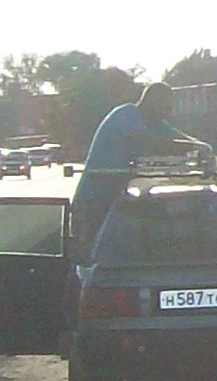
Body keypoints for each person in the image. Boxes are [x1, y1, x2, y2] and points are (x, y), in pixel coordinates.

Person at [72, 81, 209, 253]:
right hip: (92, 201)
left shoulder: (154, 123)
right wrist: (195, 148)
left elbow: (179, 137)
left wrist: (202, 147)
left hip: (114, 198)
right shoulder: (126, 114)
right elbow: (152, 143)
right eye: (166, 106)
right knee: (90, 255)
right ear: (153, 102)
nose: (169, 111)